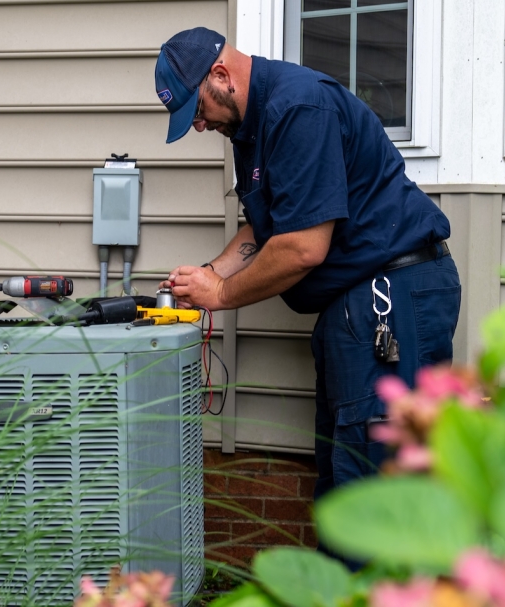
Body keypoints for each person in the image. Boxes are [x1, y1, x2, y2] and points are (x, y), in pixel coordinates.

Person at [154, 26, 460, 499]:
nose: (198, 126)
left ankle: (389, 577)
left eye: (197, 111)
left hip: (394, 294)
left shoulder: (298, 107)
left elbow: (301, 247)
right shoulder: (250, 128)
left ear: (221, 75)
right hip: (356, 302)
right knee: (342, 473)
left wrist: (222, 294)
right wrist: (212, 272)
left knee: (377, 479)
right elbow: (267, 226)